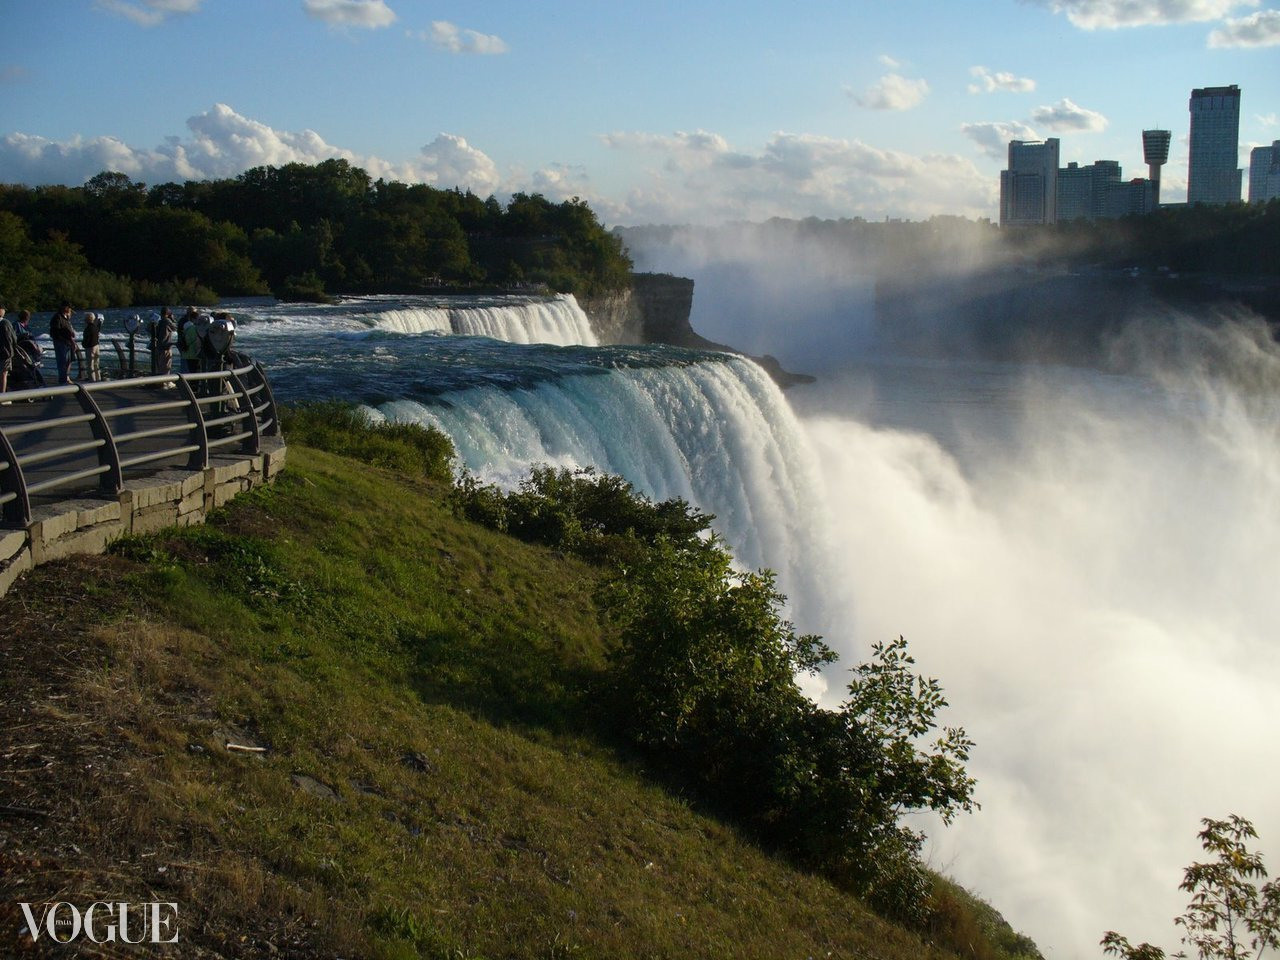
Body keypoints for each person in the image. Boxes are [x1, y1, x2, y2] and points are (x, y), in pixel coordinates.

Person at [49, 303, 76, 385]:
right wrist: (65, 337)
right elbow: (55, 331)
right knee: (62, 362)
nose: (70, 310)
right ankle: (62, 380)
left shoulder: (65, 318)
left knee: (68, 361)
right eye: (69, 308)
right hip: (61, 343)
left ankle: (66, 378)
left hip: (67, 342)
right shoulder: (57, 317)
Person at [149, 307, 176, 381]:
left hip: (158, 347)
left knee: (159, 367)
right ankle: (164, 383)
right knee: (166, 368)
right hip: (166, 347)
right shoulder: (167, 321)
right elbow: (175, 328)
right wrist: (172, 319)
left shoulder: (159, 322)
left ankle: (159, 382)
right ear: (168, 314)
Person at [80, 310, 103, 381]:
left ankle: (92, 380)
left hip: (90, 347)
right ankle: (98, 379)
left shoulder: (88, 329)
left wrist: (83, 344)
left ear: (87, 319)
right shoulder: (96, 327)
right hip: (97, 346)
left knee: (90, 365)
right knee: (96, 364)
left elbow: (86, 339)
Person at [178, 306, 201, 373]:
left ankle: (184, 380)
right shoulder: (194, 327)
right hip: (193, 352)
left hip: (184, 347)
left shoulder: (182, 321)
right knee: (193, 370)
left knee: (185, 367)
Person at [0, 305, 14, 394]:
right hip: (5, 352)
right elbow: (11, 338)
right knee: (3, 374)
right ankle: (3, 395)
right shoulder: (5, 323)